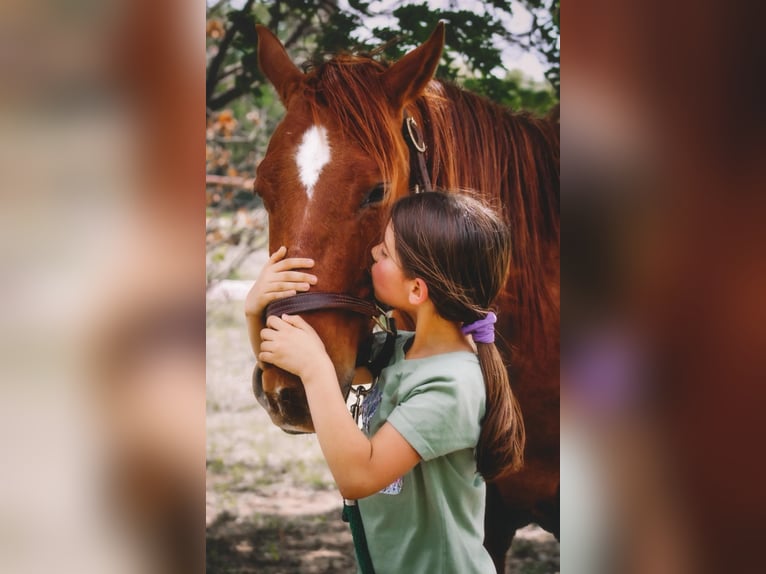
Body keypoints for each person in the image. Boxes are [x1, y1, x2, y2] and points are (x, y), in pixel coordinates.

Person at [246, 191, 525, 573]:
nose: (372, 252)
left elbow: (359, 477)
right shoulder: (400, 352)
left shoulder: (452, 385)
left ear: (416, 290)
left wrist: (317, 371)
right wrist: (255, 311)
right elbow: (289, 369)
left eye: (386, 253)